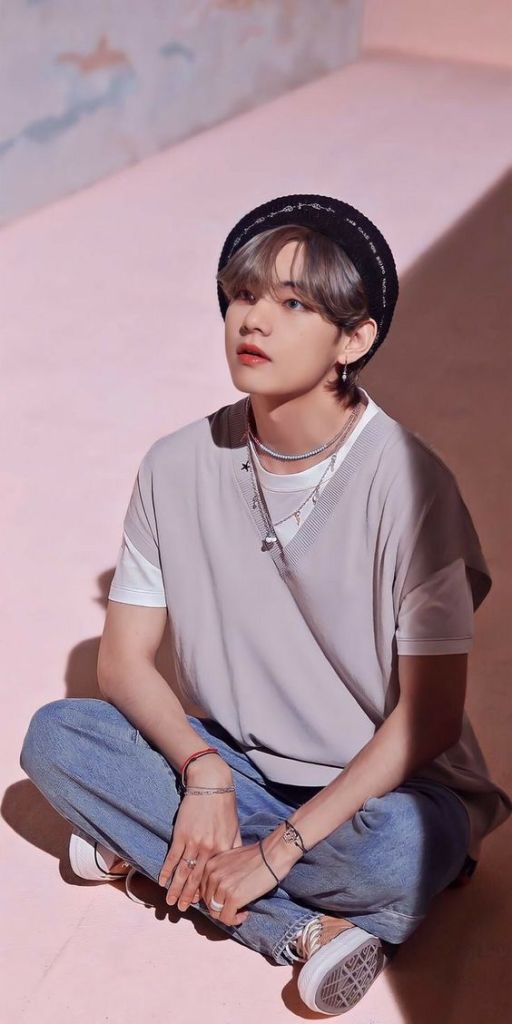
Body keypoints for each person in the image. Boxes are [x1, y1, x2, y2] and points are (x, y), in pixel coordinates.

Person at [20, 194, 512, 1016]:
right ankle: (304, 930)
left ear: (354, 340)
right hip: (237, 762)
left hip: (383, 793)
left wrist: (279, 848)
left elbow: (427, 722)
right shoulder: (176, 465)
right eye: (244, 296)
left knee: (399, 853)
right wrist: (204, 773)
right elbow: (123, 663)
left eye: (294, 304)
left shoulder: (411, 487)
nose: (254, 320)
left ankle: (146, 849)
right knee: (58, 739)